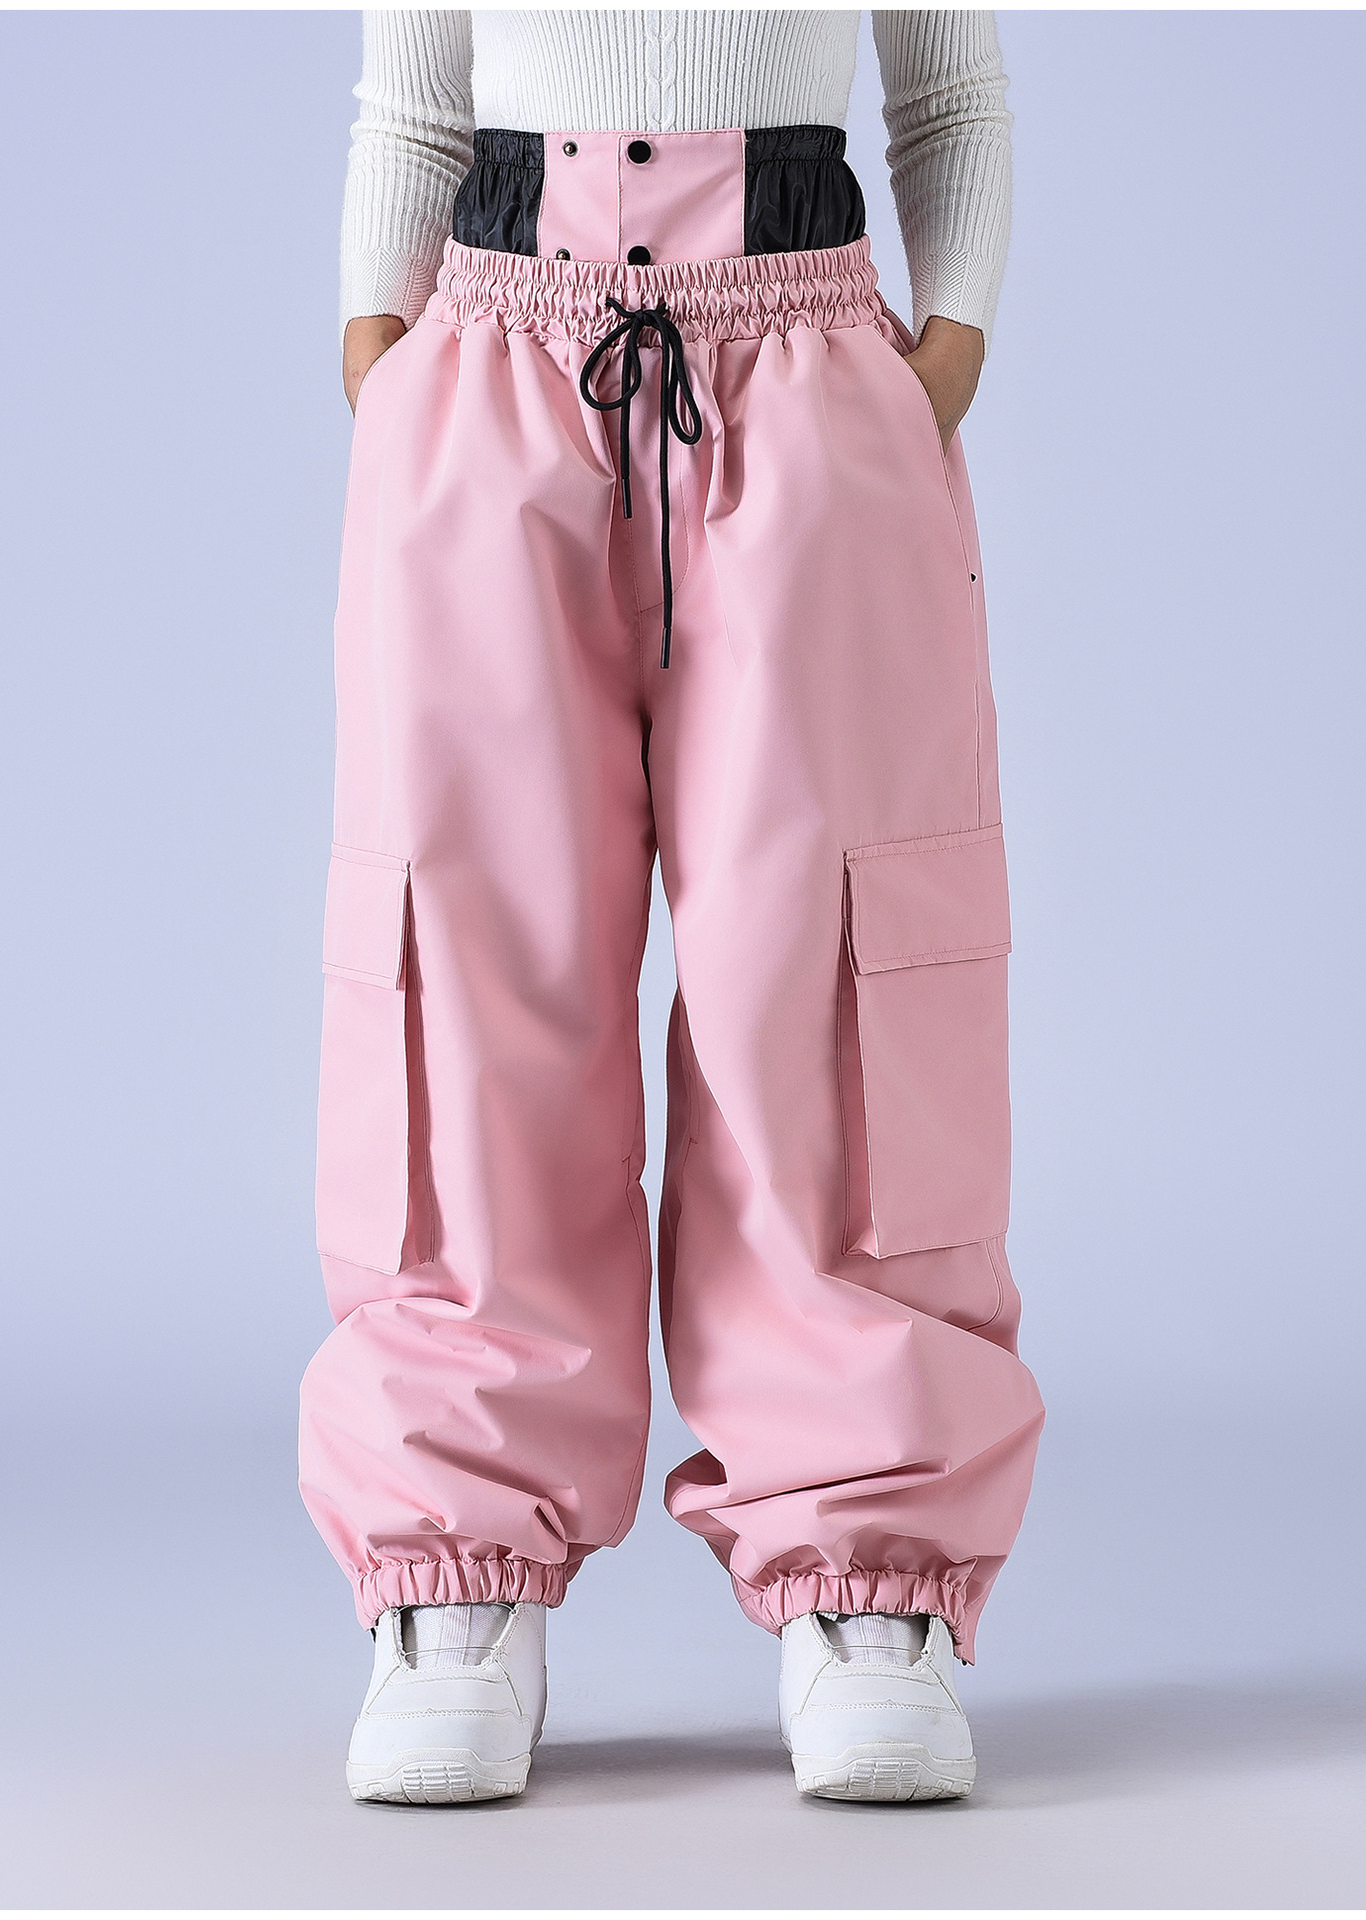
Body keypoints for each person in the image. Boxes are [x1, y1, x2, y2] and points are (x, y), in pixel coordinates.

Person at [299, 7, 1044, 1807]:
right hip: (491, 363)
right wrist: (384, 367)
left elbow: (948, 91)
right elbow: (411, 101)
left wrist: (937, 354)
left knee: (836, 970)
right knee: (465, 961)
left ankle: (867, 1579)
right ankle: (453, 1571)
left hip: (805, 363)